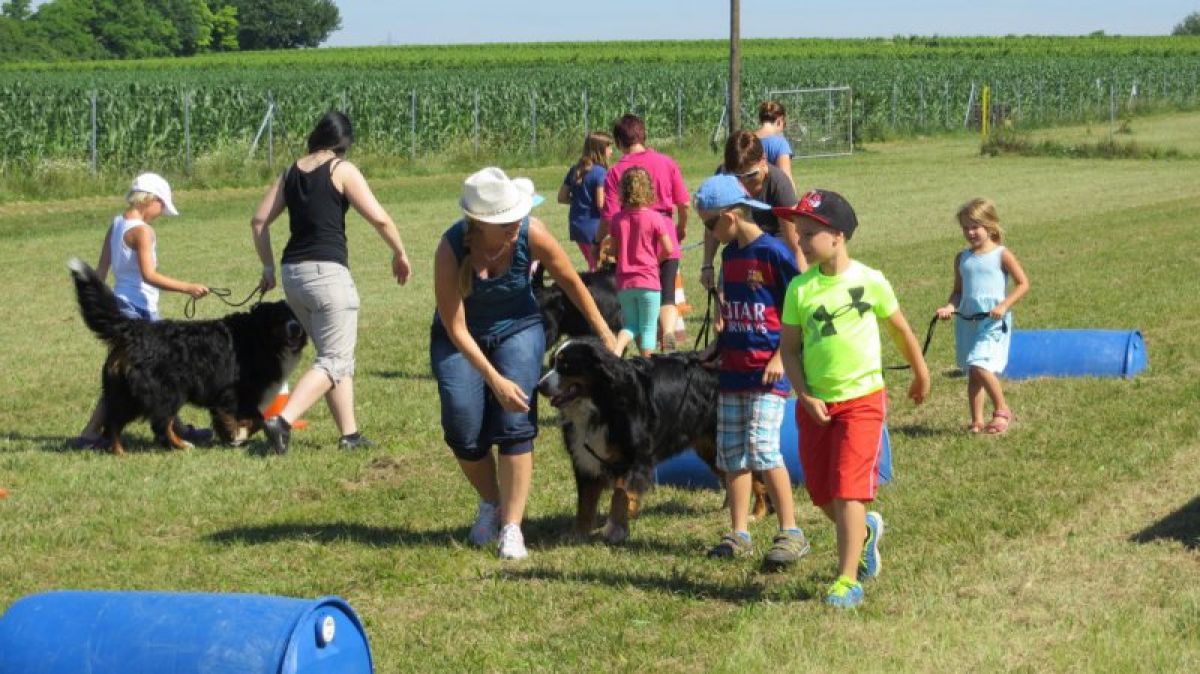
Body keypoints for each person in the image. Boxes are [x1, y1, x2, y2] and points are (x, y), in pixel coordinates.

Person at [432, 167, 617, 560]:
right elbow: (455, 327)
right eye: (506, 221)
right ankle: (490, 504)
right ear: (482, 224)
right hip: (460, 338)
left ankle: (513, 527)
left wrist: (604, 332)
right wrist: (494, 380)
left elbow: (571, 280)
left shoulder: (530, 233)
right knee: (462, 426)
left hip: (518, 328)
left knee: (515, 422)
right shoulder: (451, 250)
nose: (517, 223)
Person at [774, 190, 931, 609]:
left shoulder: (869, 280)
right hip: (816, 404)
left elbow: (899, 329)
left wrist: (920, 371)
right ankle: (864, 530)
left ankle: (846, 579)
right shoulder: (800, 290)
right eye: (799, 233)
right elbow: (789, 349)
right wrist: (803, 395)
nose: (802, 241)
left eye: (810, 234)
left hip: (862, 399)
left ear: (838, 236)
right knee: (822, 494)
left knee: (847, 491)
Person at [252, 111, 412, 454]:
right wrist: (400, 252)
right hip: (328, 275)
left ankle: (349, 435)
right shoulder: (342, 169)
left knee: (333, 355)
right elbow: (380, 218)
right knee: (335, 359)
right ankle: (281, 421)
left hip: (293, 275)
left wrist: (267, 267)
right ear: (343, 142)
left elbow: (259, 221)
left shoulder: (290, 171)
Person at [692, 175, 809, 570]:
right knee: (732, 454)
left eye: (710, 224)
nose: (708, 233)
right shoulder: (732, 257)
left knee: (762, 447)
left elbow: (799, 310)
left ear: (731, 215)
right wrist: (717, 346)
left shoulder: (774, 253)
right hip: (734, 371)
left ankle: (791, 531)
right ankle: (739, 532)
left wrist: (781, 355)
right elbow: (733, 313)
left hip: (767, 373)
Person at [72, 172, 211, 450]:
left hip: (120, 306)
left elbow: (101, 272)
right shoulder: (144, 232)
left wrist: (95, 298)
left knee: (121, 376)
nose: (161, 213)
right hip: (140, 312)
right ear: (152, 200)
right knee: (163, 375)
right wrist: (188, 287)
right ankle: (170, 432)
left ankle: (95, 433)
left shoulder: (116, 225)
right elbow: (149, 275)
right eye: (162, 207)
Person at [935, 198, 1029, 434]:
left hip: (993, 321)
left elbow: (1023, 284)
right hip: (968, 321)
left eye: (975, 226)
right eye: (965, 227)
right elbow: (958, 292)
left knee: (979, 363)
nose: (970, 232)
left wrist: (1004, 305)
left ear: (990, 225)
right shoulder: (962, 258)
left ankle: (1002, 410)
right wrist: (949, 307)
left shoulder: (1001, 254)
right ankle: (976, 421)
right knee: (973, 372)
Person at [599, 114, 689, 350]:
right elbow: (684, 203)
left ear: (619, 141)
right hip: (664, 231)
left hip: (635, 241)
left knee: (638, 314)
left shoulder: (616, 172)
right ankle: (668, 332)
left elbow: (610, 217)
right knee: (667, 296)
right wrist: (681, 227)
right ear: (643, 135)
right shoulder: (666, 162)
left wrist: (603, 243)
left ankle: (645, 354)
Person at [701, 130, 804, 292]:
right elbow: (714, 222)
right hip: (737, 248)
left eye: (750, 175)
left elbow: (795, 245)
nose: (743, 184)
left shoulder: (779, 184)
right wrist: (707, 265)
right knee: (724, 300)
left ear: (763, 160)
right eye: (736, 177)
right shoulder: (723, 175)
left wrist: (801, 286)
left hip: (773, 251)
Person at [609, 168, 675, 357]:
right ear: (649, 190)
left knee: (631, 325)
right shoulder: (656, 218)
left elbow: (613, 252)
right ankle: (648, 364)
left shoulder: (617, 219)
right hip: (648, 281)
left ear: (623, 191)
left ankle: (617, 349)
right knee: (648, 327)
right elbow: (669, 249)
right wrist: (655, 260)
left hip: (625, 282)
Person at [557, 132, 612, 272]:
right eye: (609, 147)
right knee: (598, 268)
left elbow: (562, 197)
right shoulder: (601, 172)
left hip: (577, 226)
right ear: (600, 150)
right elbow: (601, 204)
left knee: (592, 263)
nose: (611, 151)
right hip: (593, 228)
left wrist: (579, 201)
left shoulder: (575, 170)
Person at [755, 101, 794, 182]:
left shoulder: (747, 140)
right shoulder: (780, 144)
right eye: (784, 123)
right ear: (779, 121)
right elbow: (786, 181)